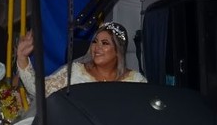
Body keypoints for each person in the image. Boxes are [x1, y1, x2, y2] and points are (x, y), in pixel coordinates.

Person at [16, 20, 146, 99]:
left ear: (118, 51)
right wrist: (22, 57)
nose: (97, 47)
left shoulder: (136, 81)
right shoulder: (76, 72)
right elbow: (39, 90)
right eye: (95, 42)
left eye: (105, 43)